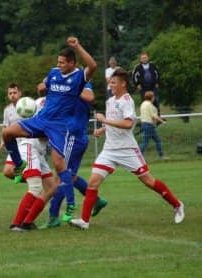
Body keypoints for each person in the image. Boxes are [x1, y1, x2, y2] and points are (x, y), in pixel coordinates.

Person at [70, 68, 184, 230]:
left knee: (149, 181)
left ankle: (177, 204)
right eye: (110, 82)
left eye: (113, 82)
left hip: (127, 150)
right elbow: (115, 121)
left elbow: (128, 123)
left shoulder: (127, 101)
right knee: (93, 183)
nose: (110, 85)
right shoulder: (110, 101)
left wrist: (105, 121)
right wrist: (102, 130)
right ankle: (84, 221)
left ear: (123, 84)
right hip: (109, 150)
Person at [2, 36, 97, 225]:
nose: (59, 65)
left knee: (59, 165)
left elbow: (93, 65)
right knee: (8, 133)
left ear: (72, 63)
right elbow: (45, 83)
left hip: (59, 126)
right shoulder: (54, 72)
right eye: (58, 62)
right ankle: (20, 165)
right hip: (40, 119)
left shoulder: (79, 77)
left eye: (62, 62)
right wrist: (43, 86)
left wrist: (78, 46)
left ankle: (70, 204)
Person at [39, 83, 108, 229]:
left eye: (62, 63)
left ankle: (53, 217)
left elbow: (89, 96)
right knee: (70, 176)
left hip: (73, 137)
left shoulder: (82, 85)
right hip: (73, 136)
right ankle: (96, 200)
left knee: (61, 177)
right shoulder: (64, 83)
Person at [9, 97, 59, 232]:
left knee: (51, 187)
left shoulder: (44, 102)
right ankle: (16, 224)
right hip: (30, 147)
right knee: (36, 187)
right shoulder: (51, 105)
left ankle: (28, 222)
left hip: (39, 151)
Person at [0, 83, 23, 179]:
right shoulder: (7, 110)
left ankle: (35, 181)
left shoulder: (27, 105)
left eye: (14, 92)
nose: (12, 95)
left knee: (13, 169)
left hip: (28, 142)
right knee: (7, 172)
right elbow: (5, 126)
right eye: (10, 93)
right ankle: (35, 181)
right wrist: (2, 140)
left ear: (20, 93)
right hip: (14, 145)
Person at [139, 91, 167, 158]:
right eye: (153, 96)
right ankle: (138, 157)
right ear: (152, 97)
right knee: (146, 142)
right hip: (149, 125)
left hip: (144, 124)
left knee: (153, 141)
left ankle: (161, 155)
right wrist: (162, 121)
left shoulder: (143, 104)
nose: (154, 98)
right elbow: (154, 115)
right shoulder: (150, 105)